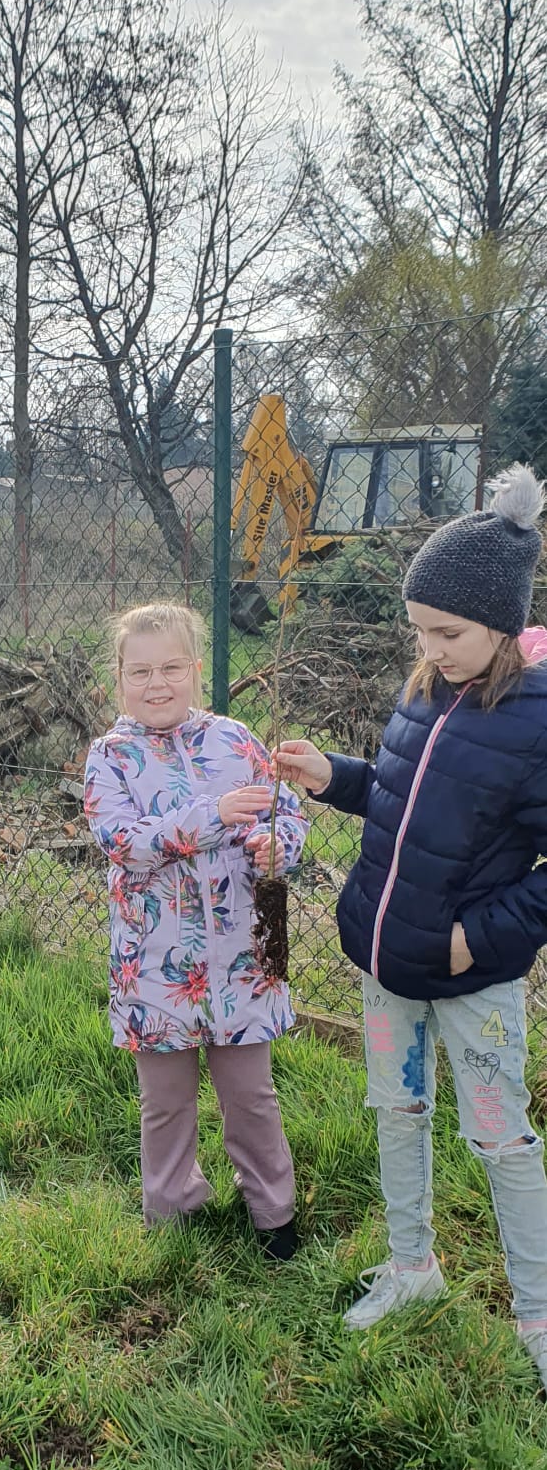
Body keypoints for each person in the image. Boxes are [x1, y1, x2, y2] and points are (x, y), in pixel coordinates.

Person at [275, 464, 547, 1390]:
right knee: (397, 1111)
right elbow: (400, 799)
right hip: (385, 959)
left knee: (500, 1137)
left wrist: (489, 937)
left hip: (476, 977)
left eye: (449, 632)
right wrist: (333, 776)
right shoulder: (429, 686)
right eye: (419, 630)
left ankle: (541, 1322)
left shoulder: (537, 718)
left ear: (503, 624)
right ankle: (412, 1268)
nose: (430, 647)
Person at [84, 600, 308, 1259]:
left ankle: (274, 1213)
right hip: (154, 969)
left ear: (197, 671)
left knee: (252, 1094)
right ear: (118, 679)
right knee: (167, 1101)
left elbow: (283, 814)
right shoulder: (111, 758)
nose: (158, 684)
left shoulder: (235, 740)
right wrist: (210, 816)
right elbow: (121, 839)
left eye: (172, 668)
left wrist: (277, 845)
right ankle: (172, 1208)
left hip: (241, 960)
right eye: (141, 671)